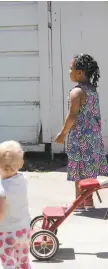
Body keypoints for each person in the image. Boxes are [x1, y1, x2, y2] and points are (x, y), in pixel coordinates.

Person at [55, 53, 108, 210]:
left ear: (79, 72)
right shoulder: (92, 90)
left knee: (79, 170)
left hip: (80, 135)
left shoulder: (76, 92)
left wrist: (63, 133)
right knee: (89, 169)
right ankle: (88, 201)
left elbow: (72, 116)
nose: (69, 72)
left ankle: (78, 203)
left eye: (71, 69)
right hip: (93, 135)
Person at [0, 141, 31, 269]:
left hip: (8, 233)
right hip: (25, 230)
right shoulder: (23, 180)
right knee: (23, 260)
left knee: (8, 262)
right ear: (21, 164)